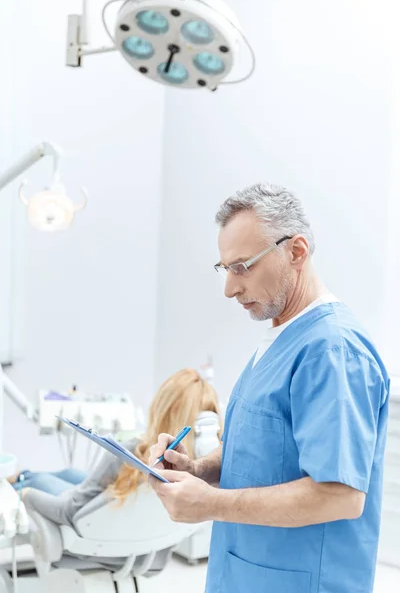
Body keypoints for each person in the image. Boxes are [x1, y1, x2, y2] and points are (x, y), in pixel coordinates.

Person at [149, 183, 390, 593]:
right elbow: (267, 453)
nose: (230, 288)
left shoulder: (332, 350)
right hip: (245, 574)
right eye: (224, 269)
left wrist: (209, 504)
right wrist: (199, 470)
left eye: (243, 266)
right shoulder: (280, 338)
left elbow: (339, 495)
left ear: (296, 252)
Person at [10, 368, 222, 527]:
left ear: (161, 409)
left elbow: (67, 511)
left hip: (87, 522)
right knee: (69, 473)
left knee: (29, 479)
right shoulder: (205, 475)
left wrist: (24, 493)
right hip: (141, 543)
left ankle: (20, 478)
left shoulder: (133, 452)